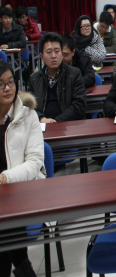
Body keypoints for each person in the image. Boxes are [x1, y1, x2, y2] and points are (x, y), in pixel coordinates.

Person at [0, 62, 44, 277]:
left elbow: (35, 162)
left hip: (20, 189)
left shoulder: (28, 115)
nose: (8, 88)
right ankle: (23, 267)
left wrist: (6, 177)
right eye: (1, 84)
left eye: (11, 82)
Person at [29, 33, 86, 123]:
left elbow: (79, 105)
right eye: (49, 52)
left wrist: (56, 122)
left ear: (62, 54)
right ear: (41, 57)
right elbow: (29, 107)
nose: (53, 56)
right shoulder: (34, 79)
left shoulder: (74, 74)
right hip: (43, 125)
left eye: (57, 51)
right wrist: (41, 118)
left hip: (68, 125)